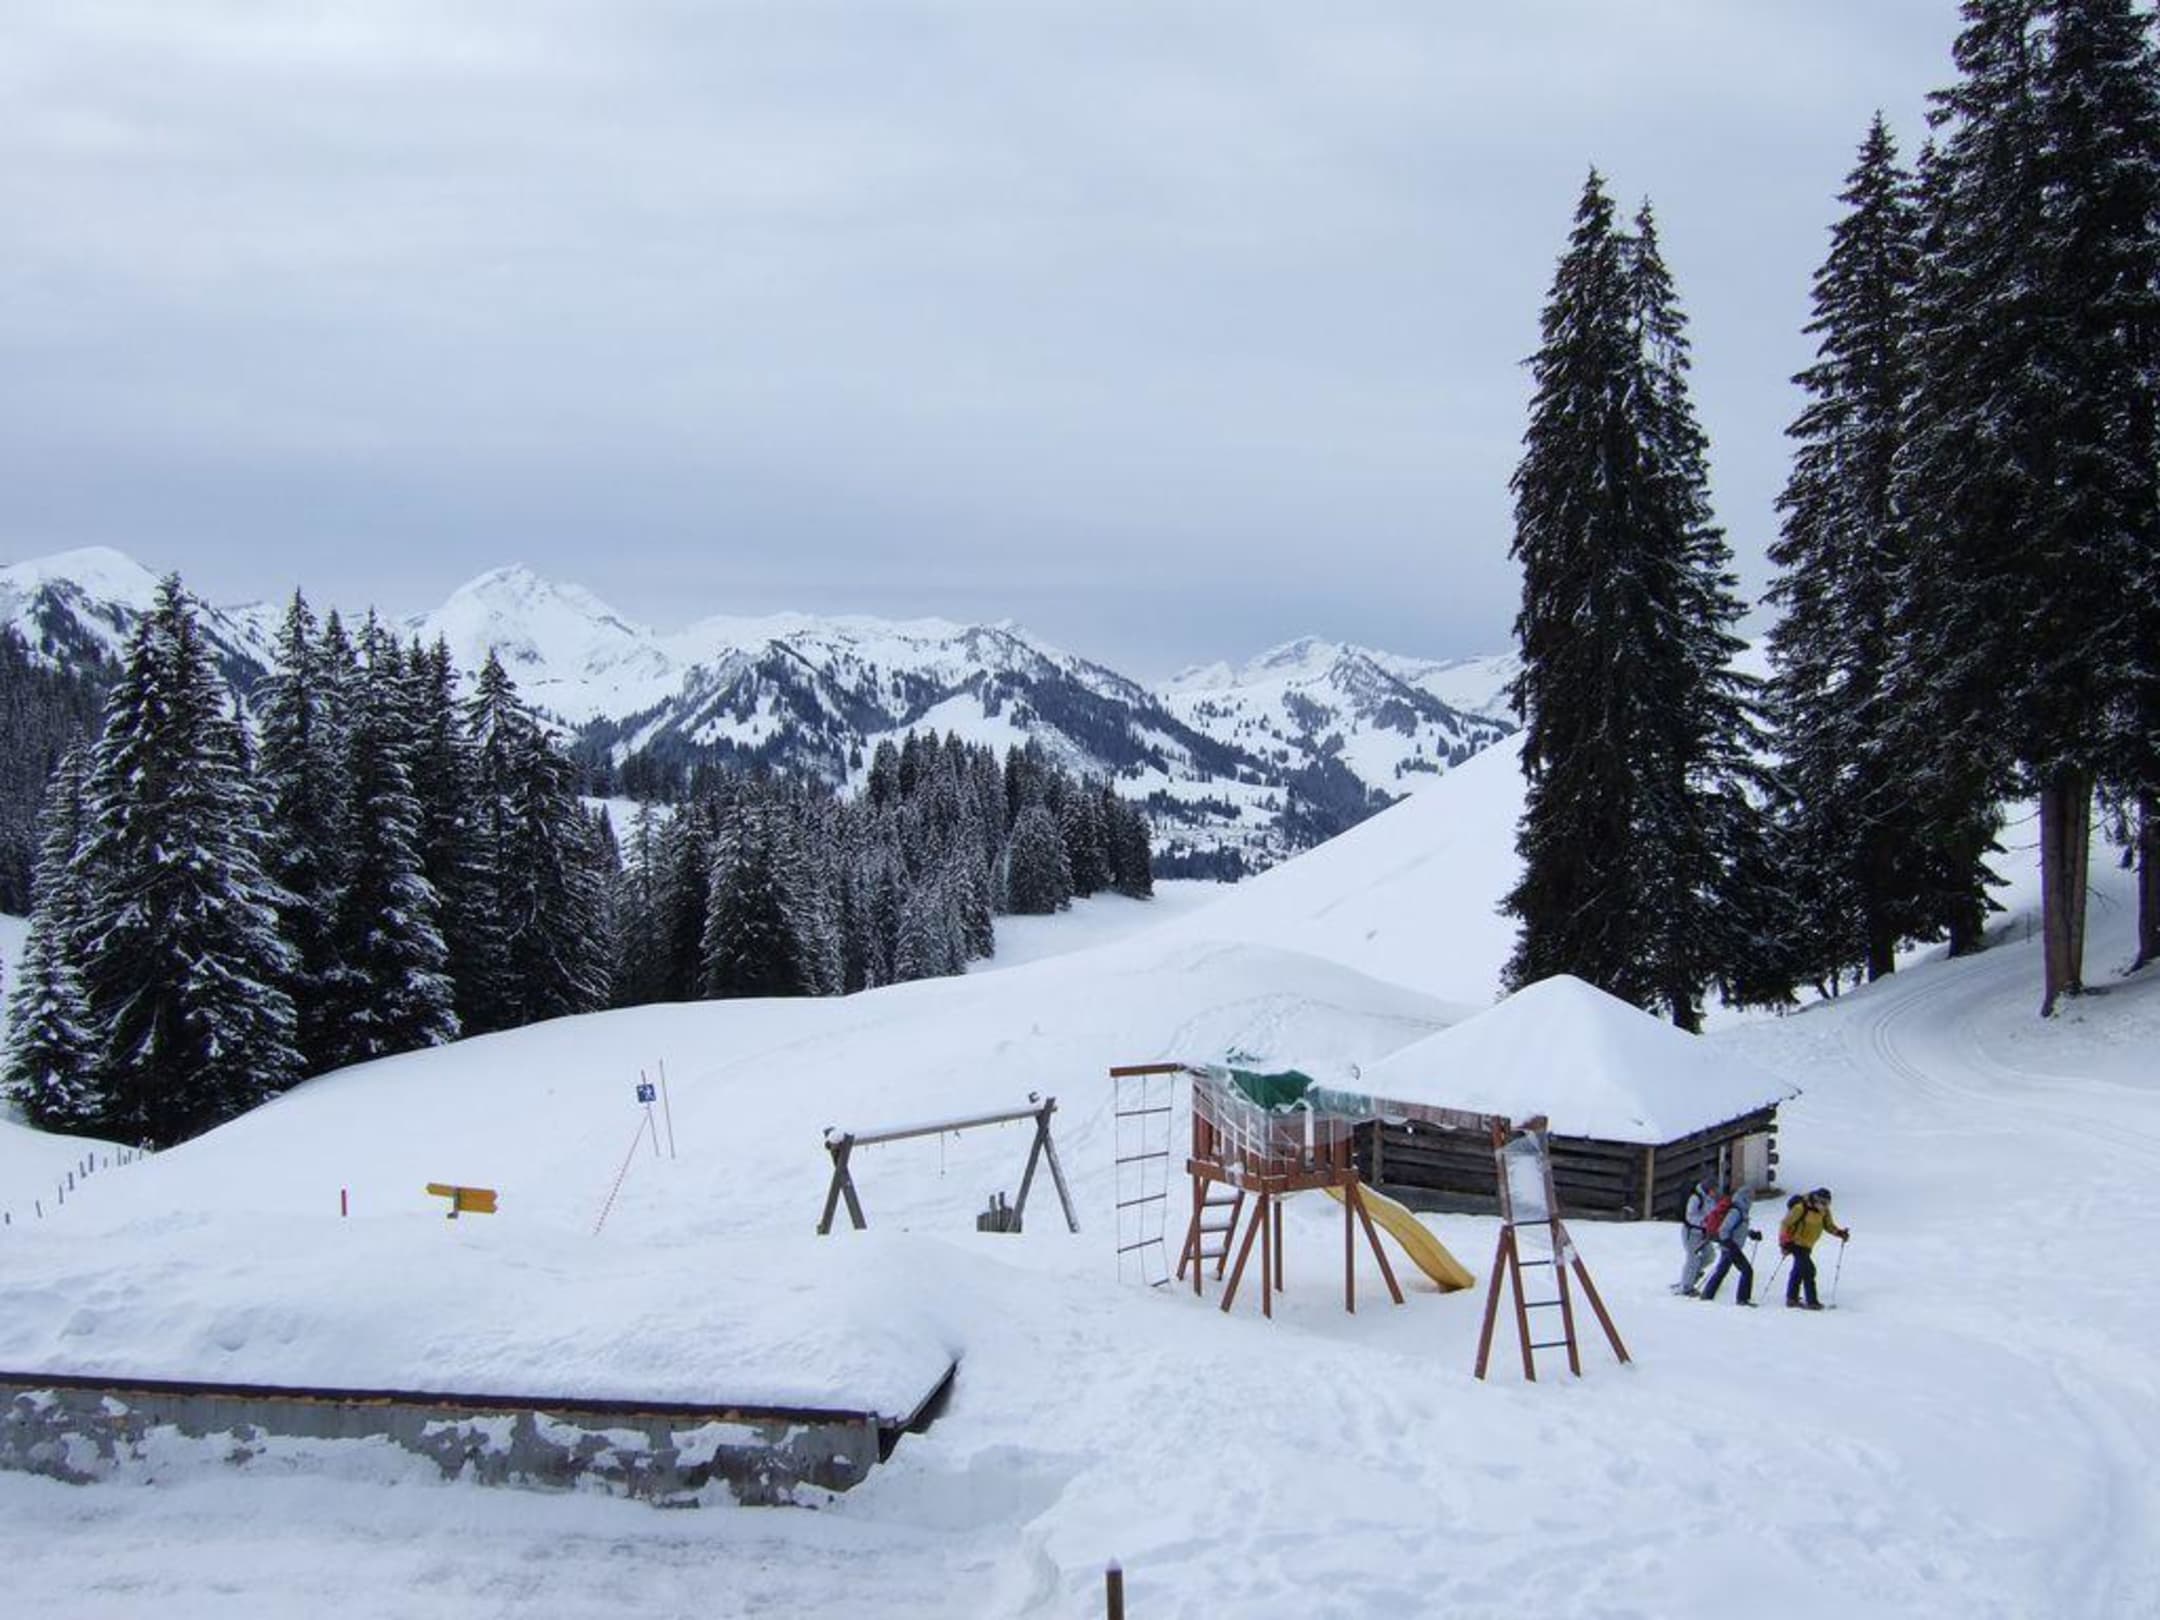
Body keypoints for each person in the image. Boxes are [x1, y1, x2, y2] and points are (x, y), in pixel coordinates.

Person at [1779, 1187, 1851, 1310]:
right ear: (1816, 1200)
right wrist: (1784, 1242)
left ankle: (1792, 1298)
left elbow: (1828, 1226)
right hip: (1795, 1243)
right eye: (1822, 1203)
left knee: (1798, 1271)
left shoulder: (1824, 1211)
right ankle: (1812, 1301)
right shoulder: (1800, 1208)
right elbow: (1785, 1224)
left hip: (1808, 1245)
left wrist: (1840, 1233)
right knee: (1809, 1270)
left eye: (1827, 1203)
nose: (1824, 1206)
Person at [1698, 1185, 1759, 1305]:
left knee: (1722, 1270)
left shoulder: (1741, 1210)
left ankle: (1707, 1295)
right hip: (1731, 1247)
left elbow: (1738, 1228)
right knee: (1747, 1270)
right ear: (1745, 1197)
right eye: (1751, 1196)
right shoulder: (1736, 1211)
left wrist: (1751, 1234)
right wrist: (1729, 1244)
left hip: (1730, 1246)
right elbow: (1724, 1229)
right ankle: (1742, 1299)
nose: (1753, 1199)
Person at [1675, 1179, 1718, 1296]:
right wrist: (1705, 1222)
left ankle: (1692, 1275)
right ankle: (1686, 1287)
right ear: (1708, 1189)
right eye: (1713, 1190)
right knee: (1693, 1259)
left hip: (1703, 1233)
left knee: (1710, 1256)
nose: (1715, 1192)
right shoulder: (1696, 1198)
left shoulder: (1711, 1200)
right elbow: (1690, 1216)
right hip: (1691, 1233)